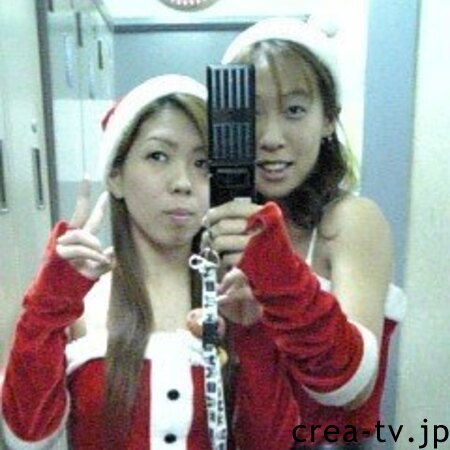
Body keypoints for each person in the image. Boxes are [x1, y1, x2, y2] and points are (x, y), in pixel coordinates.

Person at [202, 17, 406, 450]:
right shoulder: (216, 227)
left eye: (294, 110)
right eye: (252, 113)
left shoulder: (350, 222)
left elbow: (353, 389)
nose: (271, 138)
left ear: (329, 119)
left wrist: (273, 268)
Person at [0, 74, 223, 449]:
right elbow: (26, 437)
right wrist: (49, 302)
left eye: (202, 163)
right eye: (158, 156)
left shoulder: (235, 299)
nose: (183, 182)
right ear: (115, 176)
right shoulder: (78, 305)